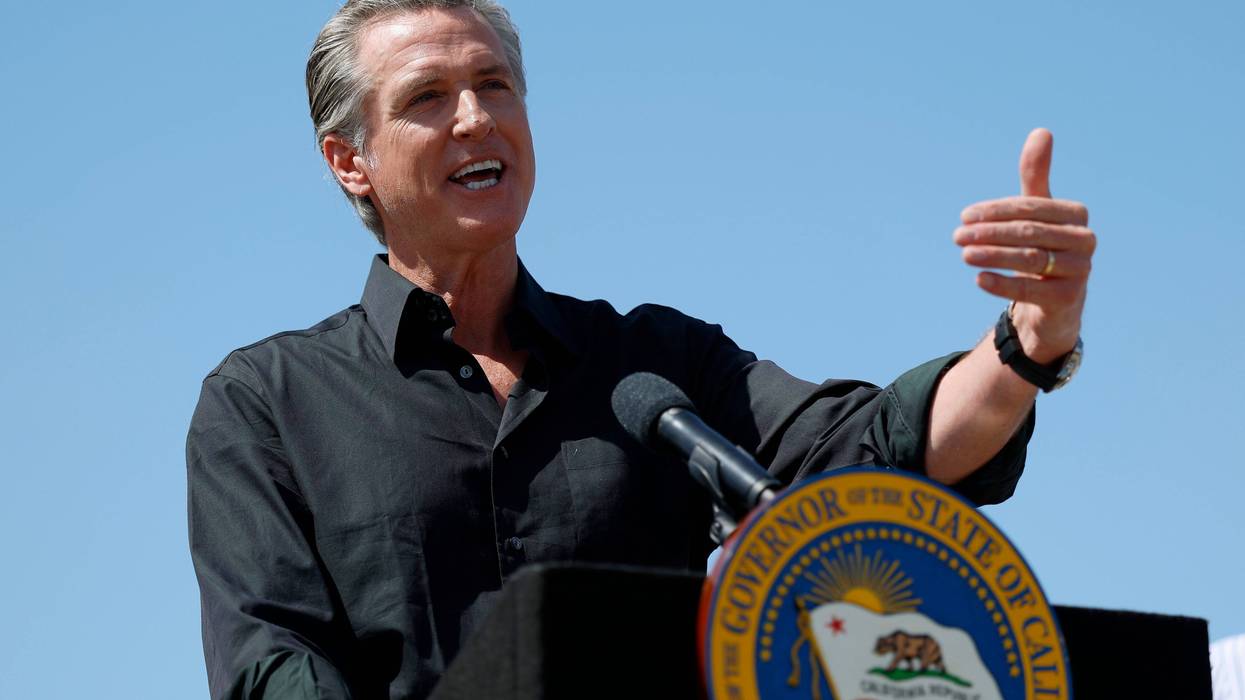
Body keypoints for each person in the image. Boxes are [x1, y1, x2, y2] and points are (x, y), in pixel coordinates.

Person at [186, 1, 1097, 698]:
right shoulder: (267, 402)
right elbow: (272, 664)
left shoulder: (654, 366)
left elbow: (875, 452)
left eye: (495, 85)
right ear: (351, 161)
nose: (475, 118)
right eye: (428, 97)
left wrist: (1026, 342)